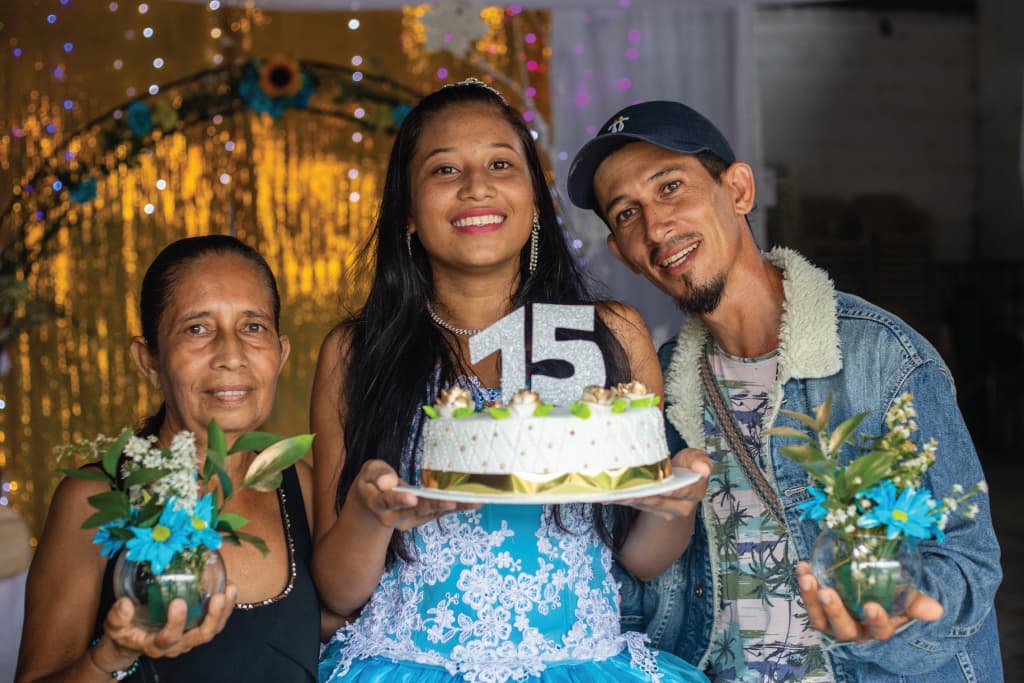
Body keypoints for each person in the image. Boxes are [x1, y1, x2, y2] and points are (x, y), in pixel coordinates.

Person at [566, 100, 1003, 682]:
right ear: (621, 254)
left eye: (671, 186)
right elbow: (645, 579)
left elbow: (969, 564)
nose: (654, 225)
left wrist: (894, 611)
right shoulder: (660, 389)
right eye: (626, 213)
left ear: (739, 189)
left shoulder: (883, 359)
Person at [312, 78, 712, 683]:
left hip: (584, 665)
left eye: (501, 163)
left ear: (532, 200)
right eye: (445, 170)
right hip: (404, 666)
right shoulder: (357, 352)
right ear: (409, 213)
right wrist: (371, 516)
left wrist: (676, 505)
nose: (477, 185)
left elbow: (643, 558)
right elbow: (338, 595)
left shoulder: (611, 336)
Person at [17, 235, 323, 682]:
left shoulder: (301, 484)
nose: (231, 354)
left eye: (253, 326)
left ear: (281, 354)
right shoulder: (94, 499)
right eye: (197, 328)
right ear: (150, 362)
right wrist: (112, 655)